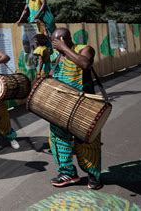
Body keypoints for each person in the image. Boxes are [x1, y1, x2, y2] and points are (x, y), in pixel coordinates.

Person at [49, 28, 103, 190]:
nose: (54, 45)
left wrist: (64, 49)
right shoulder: (56, 56)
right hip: (61, 105)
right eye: (53, 42)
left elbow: (85, 64)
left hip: (83, 104)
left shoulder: (85, 49)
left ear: (65, 39)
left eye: (56, 41)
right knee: (58, 139)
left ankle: (94, 175)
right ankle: (67, 172)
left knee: (87, 140)